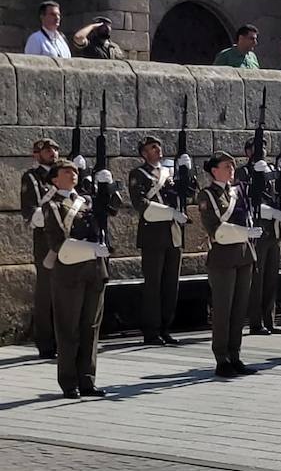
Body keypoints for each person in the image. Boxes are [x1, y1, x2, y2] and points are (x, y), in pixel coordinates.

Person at [44, 157, 117, 396]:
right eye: (66, 172)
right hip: (70, 272)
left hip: (95, 271)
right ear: (55, 178)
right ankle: (69, 381)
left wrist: (107, 187)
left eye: (74, 171)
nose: (72, 174)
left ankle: (87, 379)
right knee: (69, 329)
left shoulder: (88, 200)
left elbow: (113, 210)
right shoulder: (53, 205)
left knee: (91, 327)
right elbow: (59, 241)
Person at [197, 151, 259, 378]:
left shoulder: (238, 191)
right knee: (223, 310)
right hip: (223, 257)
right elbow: (216, 229)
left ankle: (235, 354)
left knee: (239, 309)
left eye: (232, 166)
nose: (231, 169)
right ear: (215, 170)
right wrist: (245, 232)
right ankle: (221, 358)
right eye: (226, 166)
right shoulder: (207, 195)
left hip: (244, 255)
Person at [128, 136, 191, 347]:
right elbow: (141, 204)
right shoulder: (138, 174)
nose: (157, 149)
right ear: (144, 153)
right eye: (152, 147)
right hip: (153, 235)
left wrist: (187, 171)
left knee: (170, 284)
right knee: (153, 285)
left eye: (158, 146)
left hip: (173, 235)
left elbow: (189, 192)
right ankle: (152, 330)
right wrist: (171, 213)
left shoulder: (170, 171)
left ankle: (166, 327)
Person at [237, 140, 281, 337]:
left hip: (274, 231)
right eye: (258, 147)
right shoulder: (245, 172)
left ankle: (269, 319)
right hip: (258, 230)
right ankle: (256, 323)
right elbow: (245, 197)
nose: (263, 150)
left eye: (265, 147)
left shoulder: (272, 170)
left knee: (271, 279)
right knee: (257, 279)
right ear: (248, 151)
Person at [22, 138, 60, 359]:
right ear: (36, 155)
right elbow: (32, 212)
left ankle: (62, 338)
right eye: (47, 150)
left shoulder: (65, 173)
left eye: (55, 149)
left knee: (64, 292)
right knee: (46, 292)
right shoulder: (32, 177)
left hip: (66, 240)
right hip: (46, 241)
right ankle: (45, 343)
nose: (52, 153)